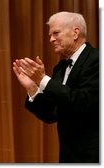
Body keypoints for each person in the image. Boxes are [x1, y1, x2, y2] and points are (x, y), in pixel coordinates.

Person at [12, 11, 99, 163]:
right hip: (67, 157)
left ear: (75, 33)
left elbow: (84, 102)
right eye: (50, 35)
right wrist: (33, 87)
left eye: (56, 33)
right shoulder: (60, 68)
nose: (51, 39)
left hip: (94, 156)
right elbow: (51, 114)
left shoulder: (97, 59)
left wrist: (43, 79)